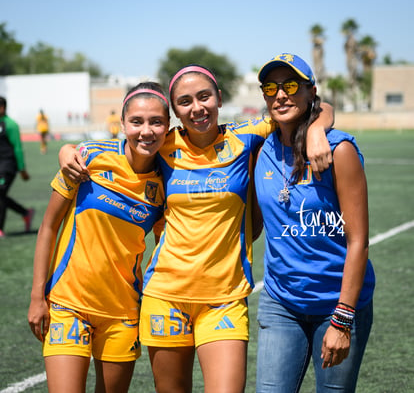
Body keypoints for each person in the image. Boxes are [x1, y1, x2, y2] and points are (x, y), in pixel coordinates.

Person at [59, 65, 334, 393]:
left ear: (219, 98)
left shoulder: (247, 135)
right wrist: (66, 152)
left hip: (224, 298)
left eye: (204, 97)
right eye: (185, 101)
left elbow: (314, 107)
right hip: (166, 295)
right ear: (175, 111)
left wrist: (317, 130)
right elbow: (112, 150)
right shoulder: (163, 143)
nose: (197, 107)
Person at [27, 82, 170, 393]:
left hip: (123, 314)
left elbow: (165, 249)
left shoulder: (165, 184)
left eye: (156, 122)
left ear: (167, 127)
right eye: (137, 121)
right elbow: (48, 227)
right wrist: (38, 297)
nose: (146, 131)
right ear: (122, 124)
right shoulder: (88, 158)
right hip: (67, 305)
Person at [254, 53, 375, 392]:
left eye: (290, 85)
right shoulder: (260, 146)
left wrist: (343, 319)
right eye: (270, 88)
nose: (280, 95)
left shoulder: (339, 150)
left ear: (311, 92)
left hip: (336, 305)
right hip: (281, 303)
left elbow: (358, 241)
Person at [0, 96, 34, 238]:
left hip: (8, 166)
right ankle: (25, 213)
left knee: (0, 192)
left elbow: (18, 148)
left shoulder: (11, 125)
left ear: (2, 107)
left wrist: (22, 169)